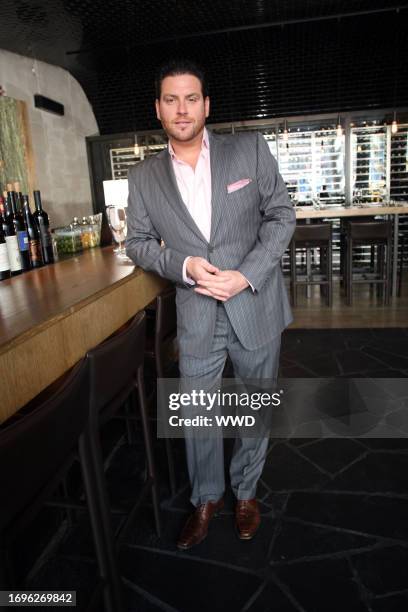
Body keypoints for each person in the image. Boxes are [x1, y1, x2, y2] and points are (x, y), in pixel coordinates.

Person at [126, 58, 295, 550]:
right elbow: (137, 242)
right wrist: (184, 266)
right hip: (197, 310)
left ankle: (245, 492)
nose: (183, 109)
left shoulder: (250, 151)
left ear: (206, 105)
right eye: (172, 99)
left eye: (191, 98)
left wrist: (246, 275)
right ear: (158, 109)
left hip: (254, 302)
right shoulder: (143, 177)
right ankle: (206, 498)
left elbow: (281, 216)